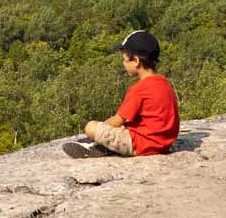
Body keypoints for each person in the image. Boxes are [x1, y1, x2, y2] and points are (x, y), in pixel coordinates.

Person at [64, 30, 179, 158]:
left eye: (124, 59)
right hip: (164, 143)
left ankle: (100, 145)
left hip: (142, 145)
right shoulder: (164, 82)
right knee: (125, 126)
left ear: (135, 61)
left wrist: (99, 130)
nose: (123, 63)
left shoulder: (139, 89)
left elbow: (117, 120)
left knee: (90, 127)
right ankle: (106, 147)